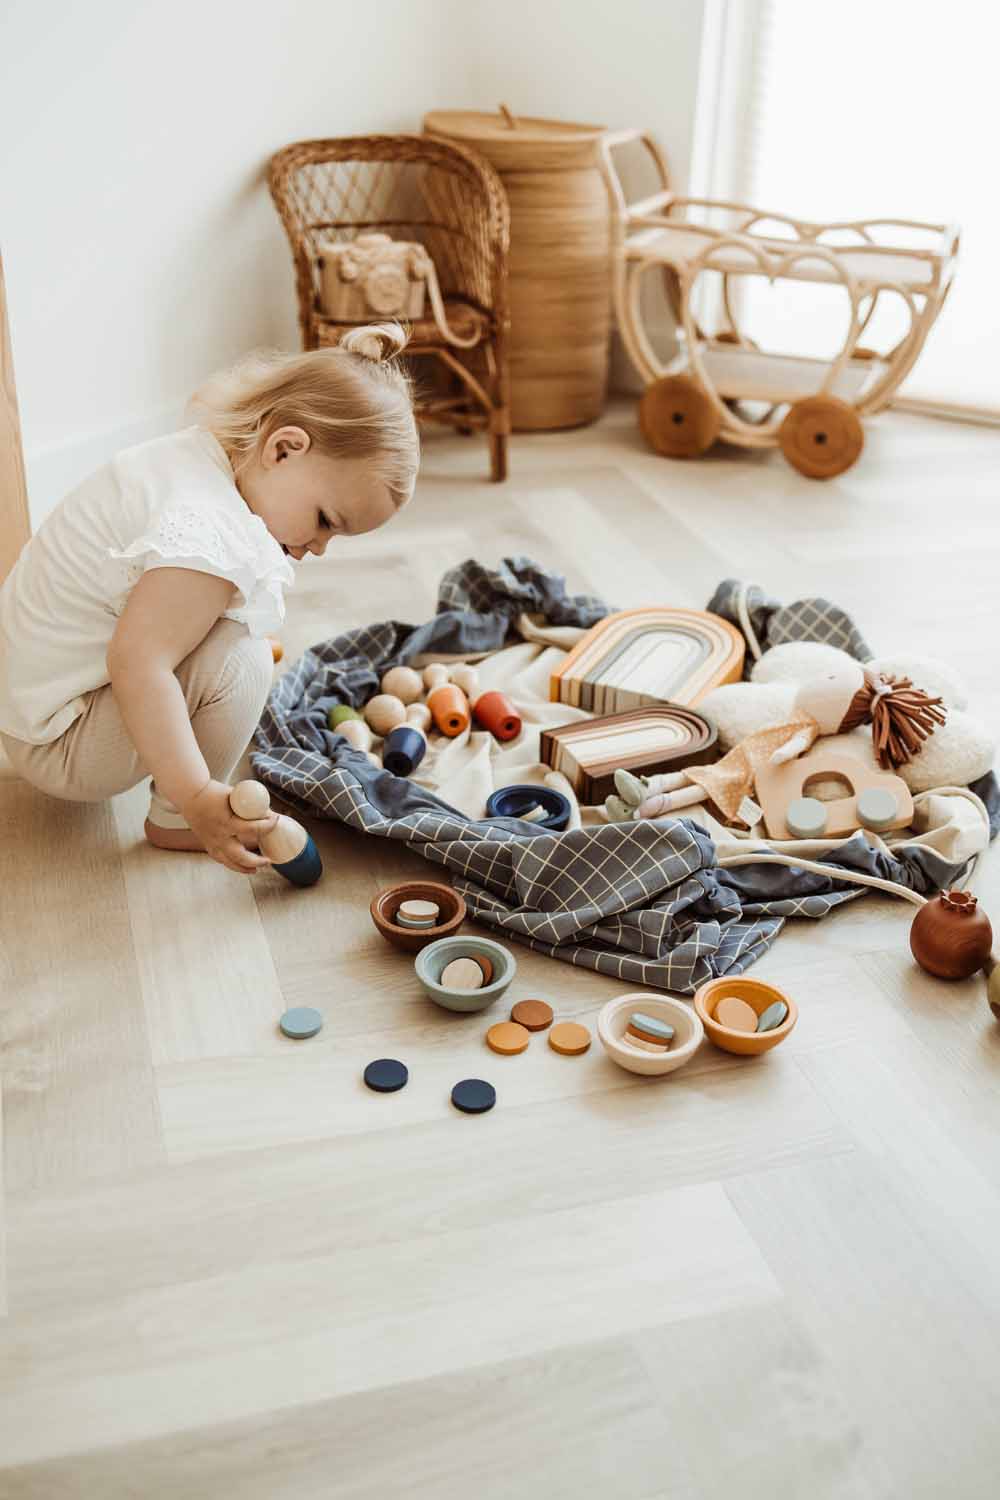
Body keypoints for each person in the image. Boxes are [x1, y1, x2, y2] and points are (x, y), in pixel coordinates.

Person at [0, 322, 417, 874]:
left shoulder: (193, 460)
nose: (318, 547)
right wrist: (197, 796)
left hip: (31, 710)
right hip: (60, 743)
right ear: (284, 448)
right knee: (242, 659)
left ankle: (177, 775)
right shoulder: (210, 531)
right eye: (325, 521)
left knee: (222, 636)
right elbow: (137, 664)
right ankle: (175, 817)